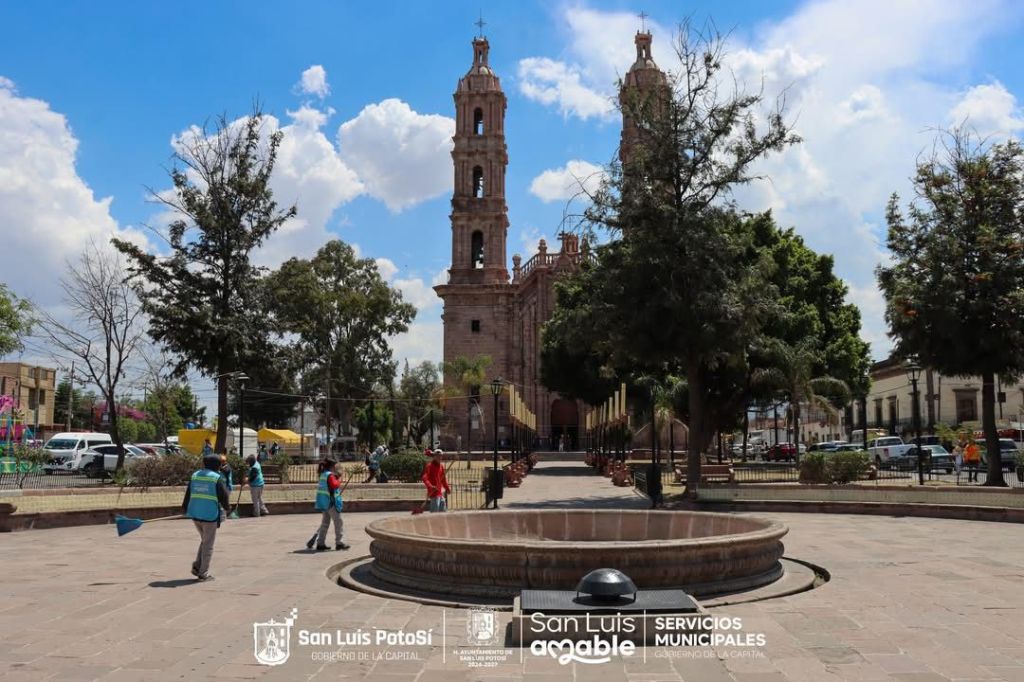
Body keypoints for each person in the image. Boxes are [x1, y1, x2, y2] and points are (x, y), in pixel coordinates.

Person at [182, 453, 231, 581]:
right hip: (209, 515)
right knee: (208, 544)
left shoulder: (195, 475)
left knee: (205, 540)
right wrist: (228, 509)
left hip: (195, 514)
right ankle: (203, 574)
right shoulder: (216, 478)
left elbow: (188, 494)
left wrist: (184, 508)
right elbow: (223, 496)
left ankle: (197, 567)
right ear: (217, 465)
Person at [311, 458, 349, 551]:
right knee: (338, 522)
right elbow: (334, 485)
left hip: (324, 503)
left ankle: (320, 543)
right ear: (332, 466)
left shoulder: (323, 474)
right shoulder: (330, 475)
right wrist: (339, 479)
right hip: (331, 503)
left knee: (325, 523)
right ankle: (339, 543)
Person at [218, 454, 234, 522]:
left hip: (227, 487)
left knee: (224, 502)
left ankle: (223, 517)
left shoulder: (227, 467)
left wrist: (220, 469)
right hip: (223, 487)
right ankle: (222, 516)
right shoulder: (223, 467)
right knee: (221, 502)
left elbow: (226, 471)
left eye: (222, 461)